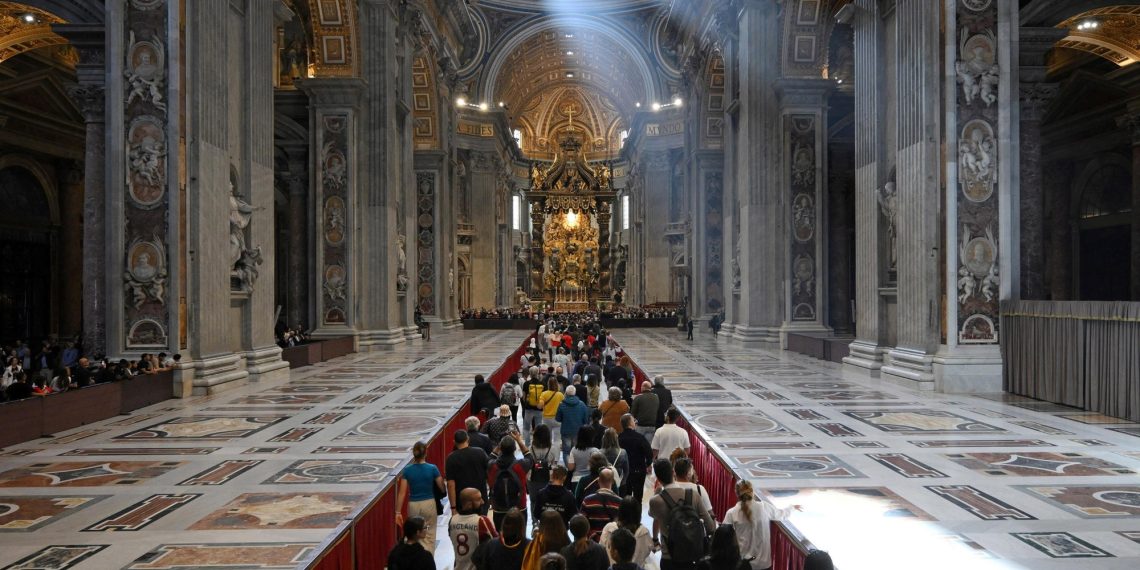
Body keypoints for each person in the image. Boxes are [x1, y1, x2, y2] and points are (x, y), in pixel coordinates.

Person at [648, 458, 716, 569]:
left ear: (658, 480)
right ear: (673, 472)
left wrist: (657, 492)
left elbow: (653, 516)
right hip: (692, 556)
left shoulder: (655, 501)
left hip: (669, 557)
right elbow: (710, 527)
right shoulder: (693, 495)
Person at [723, 480, 801, 570]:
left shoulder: (732, 513)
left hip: (742, 564)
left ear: (736, 493)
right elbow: (781, 514)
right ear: (752, 491)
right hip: (763, 564)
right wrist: (792, 508)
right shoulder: (764, 507)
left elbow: (723, 534)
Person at [396, 441, 445, 550]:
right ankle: (428, 559)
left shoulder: (407, 470)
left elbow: (402, 493)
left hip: (413, 504)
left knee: (414, 533)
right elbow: (441, 487)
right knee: (429, 533)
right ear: (426, 453)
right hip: (429, 503)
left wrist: (398, 512)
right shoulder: (432, 468)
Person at [488, 433, 535, 530]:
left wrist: (499, 445)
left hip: (498, 507)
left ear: (500, 448)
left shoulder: (492, 465)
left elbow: (491, 457)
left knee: (500, 536)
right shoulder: (521, 465)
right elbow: (529, 457)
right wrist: (519, 440)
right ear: (515, 449)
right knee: (520, 535)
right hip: (519, 506)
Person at [450, 487, 498, 570]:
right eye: (479, 499)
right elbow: (496, 543)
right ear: (469, 504)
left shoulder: (452, 520)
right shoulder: (481, 521)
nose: (483, 502)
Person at [600, 495, 652, 567]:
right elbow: (647, 551)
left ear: (620, 511)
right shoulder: (644, 532)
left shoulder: (609, 528)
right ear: (638, 513)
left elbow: (602, 549)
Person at [447, 430, 490, 514]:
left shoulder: (451, 458)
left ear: (454, 442)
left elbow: (450, 484)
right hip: (480, 499)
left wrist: (453, 507)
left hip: (462, 502)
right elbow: (489, 474)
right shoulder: (480, 452)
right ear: (468, 439)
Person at [579, 467, 622, 540]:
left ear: (598, 481)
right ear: (613, 481)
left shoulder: (587, 501)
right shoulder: (620, 502)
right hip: (612, 543)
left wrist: (593, 536)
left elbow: (582, 524)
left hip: (592, 543)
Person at [617, 414, 652, 501]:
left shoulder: (619, 437)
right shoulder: (640, 437)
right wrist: (648, 464)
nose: (635, 422)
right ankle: (637, 513)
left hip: (624, 471)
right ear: (630, 423)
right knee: (638, 496)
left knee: (626, 496)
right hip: (639, 470)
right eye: (633, 420)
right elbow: (649, 453)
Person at [555, 385, 590, 464]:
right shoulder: (582, 404)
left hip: (566, 432)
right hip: (578, 432)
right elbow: (586, 420)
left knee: (566, 452)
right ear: (575, 393)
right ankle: (576, 467)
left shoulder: (561, 404)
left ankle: (568, 469)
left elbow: (558, 419)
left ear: (566, 393)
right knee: (577, 451)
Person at [522, 366, 546, 438]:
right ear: (538, 373)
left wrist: (527, 403)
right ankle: (537, 443)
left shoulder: (526, 384)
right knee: (538, 427)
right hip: (539, 408)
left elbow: (523, 397)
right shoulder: (542, 384)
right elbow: (544, 397)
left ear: (530, 373)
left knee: (526, 428)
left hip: (528, 408)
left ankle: (527, 444)